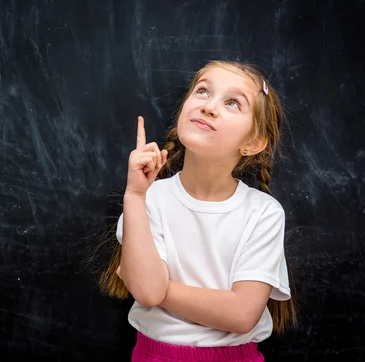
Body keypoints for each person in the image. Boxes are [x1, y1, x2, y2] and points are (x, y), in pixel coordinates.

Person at [99, 60, 297, 361]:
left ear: (253, 142)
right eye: (203, 91)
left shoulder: (263, 213)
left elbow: (243, 314)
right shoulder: (148, 199)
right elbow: (146, 293)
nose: (209, 107)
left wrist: (161, 288)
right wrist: (135, 194)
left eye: (232, 103)